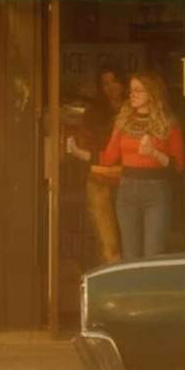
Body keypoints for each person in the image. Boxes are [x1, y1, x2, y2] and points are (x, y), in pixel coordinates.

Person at [99, 71, 185, 260]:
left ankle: (150, 290)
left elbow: (178, 165)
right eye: (131, 90)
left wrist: (153, 153)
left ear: (152, 93)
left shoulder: (168, 123)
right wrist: (81, 151)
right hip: (127, 190)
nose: (132, 95)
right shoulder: (123, 121)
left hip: (157, 191)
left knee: (153, 254)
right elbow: (109, 158)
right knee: (130, 255)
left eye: (138, 90)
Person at [66, 65, 127, 265]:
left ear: (123, 82)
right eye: (105, 84)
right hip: (100, 178)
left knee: (130, 240)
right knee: (107, 241)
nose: (110, 87)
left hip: (128, 179)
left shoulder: (134, 108)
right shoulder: (94, 112)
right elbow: (86, 143)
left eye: (114, 82)